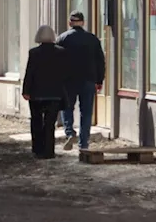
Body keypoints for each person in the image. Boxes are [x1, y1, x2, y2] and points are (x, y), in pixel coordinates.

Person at [59, 11, 106, 151]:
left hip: (68, 80)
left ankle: (69, 132)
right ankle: (83, 142)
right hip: (88, 79)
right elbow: (100, 61)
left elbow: (57, 60)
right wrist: (99, 80)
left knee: (67, 107)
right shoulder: (92, 39)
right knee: (86, 112)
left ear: (70, 23)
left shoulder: (62, 38)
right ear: (83, 22)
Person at [22, 25, 69, 159]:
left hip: (36, 93)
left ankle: (37, 148)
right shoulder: (61, 52)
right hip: (54, 93)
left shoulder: (34, 53)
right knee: (50, 124)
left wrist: (26, 90)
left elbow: (29, 72)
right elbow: (65, 73)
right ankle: (49, 151)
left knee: (36, 121)